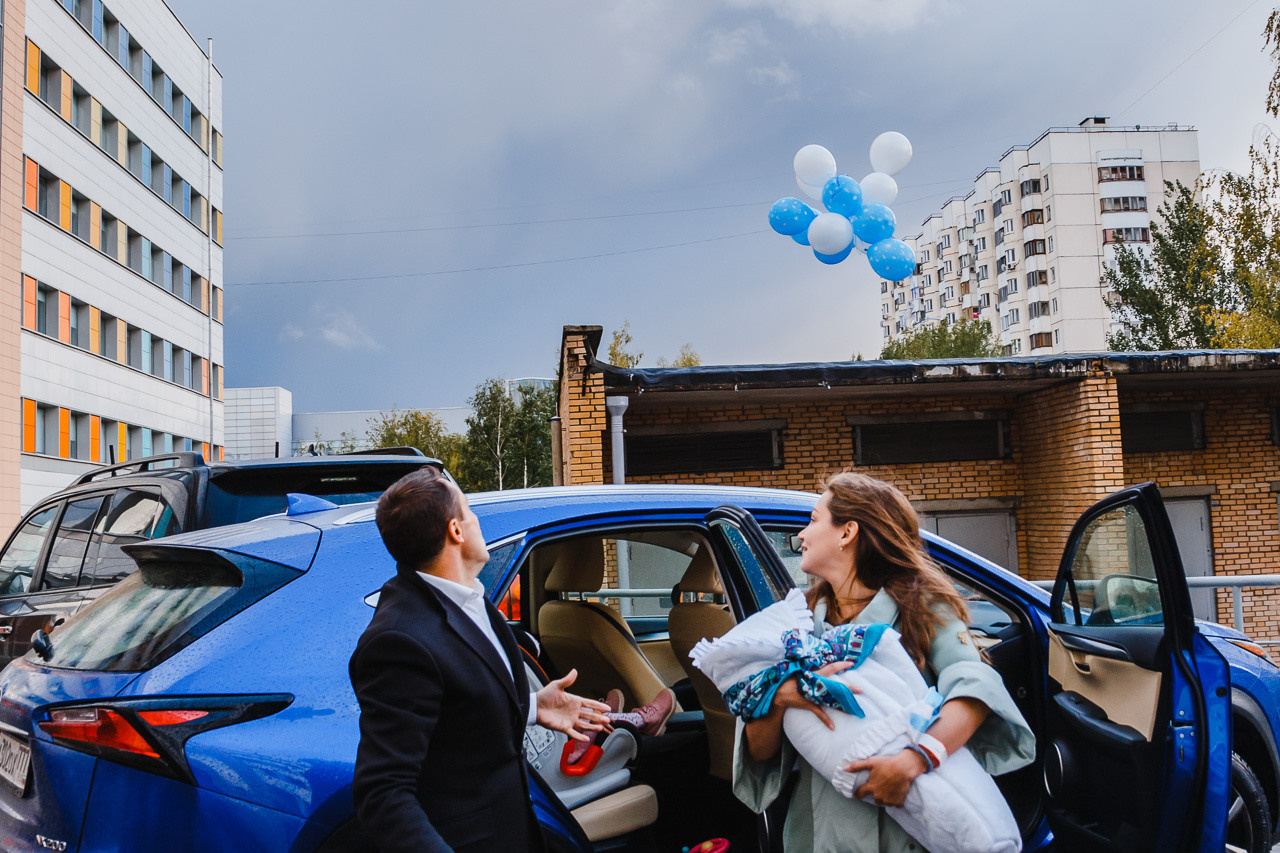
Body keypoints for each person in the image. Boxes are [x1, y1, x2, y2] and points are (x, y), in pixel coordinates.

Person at [733, 472, 1035, 853]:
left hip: (905, 830)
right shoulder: (795, 623)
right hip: (821, 834)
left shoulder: (922, 608)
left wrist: (915, 760)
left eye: (812, 520)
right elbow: (760, 752)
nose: (801, 536)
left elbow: (974, 689)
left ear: (847, 533)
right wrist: (780, 697)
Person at [350, 468, 611, 852]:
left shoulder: (468, 598)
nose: (477, 522)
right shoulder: (397, 641)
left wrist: (532, 706)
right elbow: (382, 792)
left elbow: (455, 713)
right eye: (470, 512)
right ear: (456, 530)